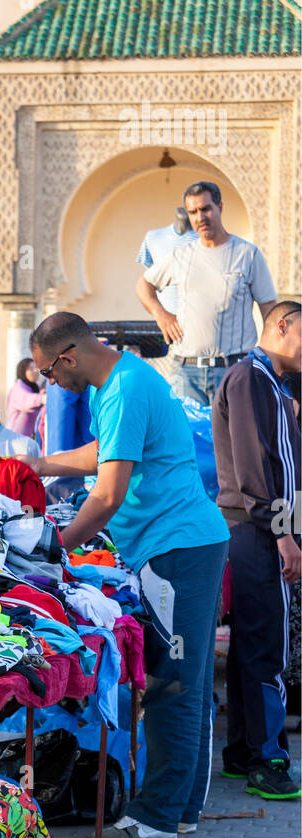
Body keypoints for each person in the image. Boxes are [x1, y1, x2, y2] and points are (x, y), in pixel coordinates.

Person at [29, 311, 229, 838]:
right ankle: (180, 809)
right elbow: (107, 453)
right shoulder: (117, 381)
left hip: (178, 546)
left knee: (173, 682)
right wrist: (42, 467)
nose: (51, 382)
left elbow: (109, 493)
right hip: (178, 544)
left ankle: (160, 816)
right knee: (183, 677)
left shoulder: (122, 389)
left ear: (67, 357)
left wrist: (55, 546)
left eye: (49, 372)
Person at [212, 301, 302, 799]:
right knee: (267, 648)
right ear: (282, 325)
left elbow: (285, 467)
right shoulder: (250, 378)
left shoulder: (272, 383)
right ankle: (269, 761)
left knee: (252, 645)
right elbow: (252, 470)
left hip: (258, 531)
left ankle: (243, 753)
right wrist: (283, 533)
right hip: (257, 532)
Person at [136, 180, 277, 405]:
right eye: (193, 212)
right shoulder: (181, 255)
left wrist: (269, 360)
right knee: (187, 438)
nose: (199, 217)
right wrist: (160, 314)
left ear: (220, 206)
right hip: (186, 372)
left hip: (234, 370)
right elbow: (144, 285)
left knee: (232, 439)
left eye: (205, 208)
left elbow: (270, 310)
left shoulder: (247, 254)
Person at [135, 205, 197, 315]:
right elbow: (149, 281)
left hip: (197, 319)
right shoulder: (153, 237)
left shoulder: (206, 240)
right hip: (165, 323)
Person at [6, 358, 46, 439]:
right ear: (22, 372)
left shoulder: (34, 388)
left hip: (27, 439)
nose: (35, 371)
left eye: (36, 367)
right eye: (31, 369)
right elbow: (26, 401)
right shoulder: (18, 387)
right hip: (14, 438)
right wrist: (42, 398)